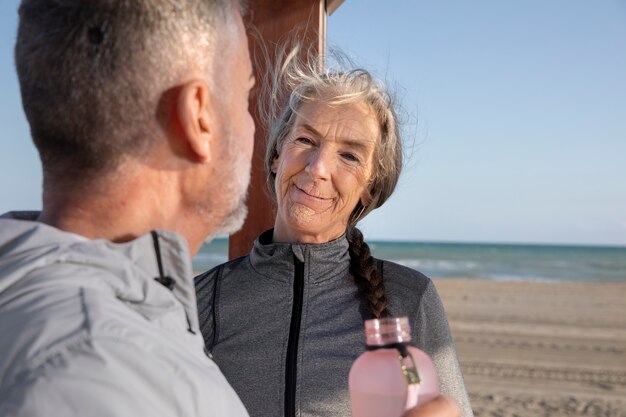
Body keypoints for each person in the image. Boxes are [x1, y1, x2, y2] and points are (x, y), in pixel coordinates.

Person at [0, 0, 255, 415]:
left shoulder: (42, 303)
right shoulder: (98, 369)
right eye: (246, 94)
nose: (253, 125)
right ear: (199, 118)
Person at [195, 49, 474, 417]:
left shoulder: (410, 298)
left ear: (370, 188)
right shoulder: (205, 297)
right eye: (306, 141)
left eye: (350, 156)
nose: (317, 168)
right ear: (278, 153)